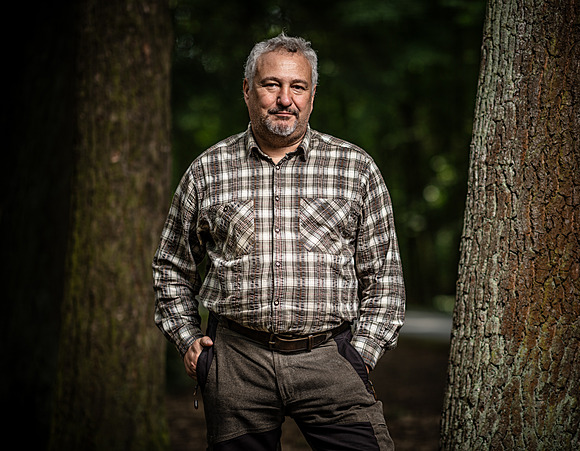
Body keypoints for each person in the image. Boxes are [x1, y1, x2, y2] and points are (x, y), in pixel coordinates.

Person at [153, 32, 406, 450]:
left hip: (331, 358)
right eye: (272, 84)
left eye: (298, 86)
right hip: (236, 364)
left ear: (311, 95)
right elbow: (172, 266)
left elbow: (385, 277)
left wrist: (359, 354)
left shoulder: (356, 169)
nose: (285, 98)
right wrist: (186, 337)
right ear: (249, 91)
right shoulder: (207, 170)